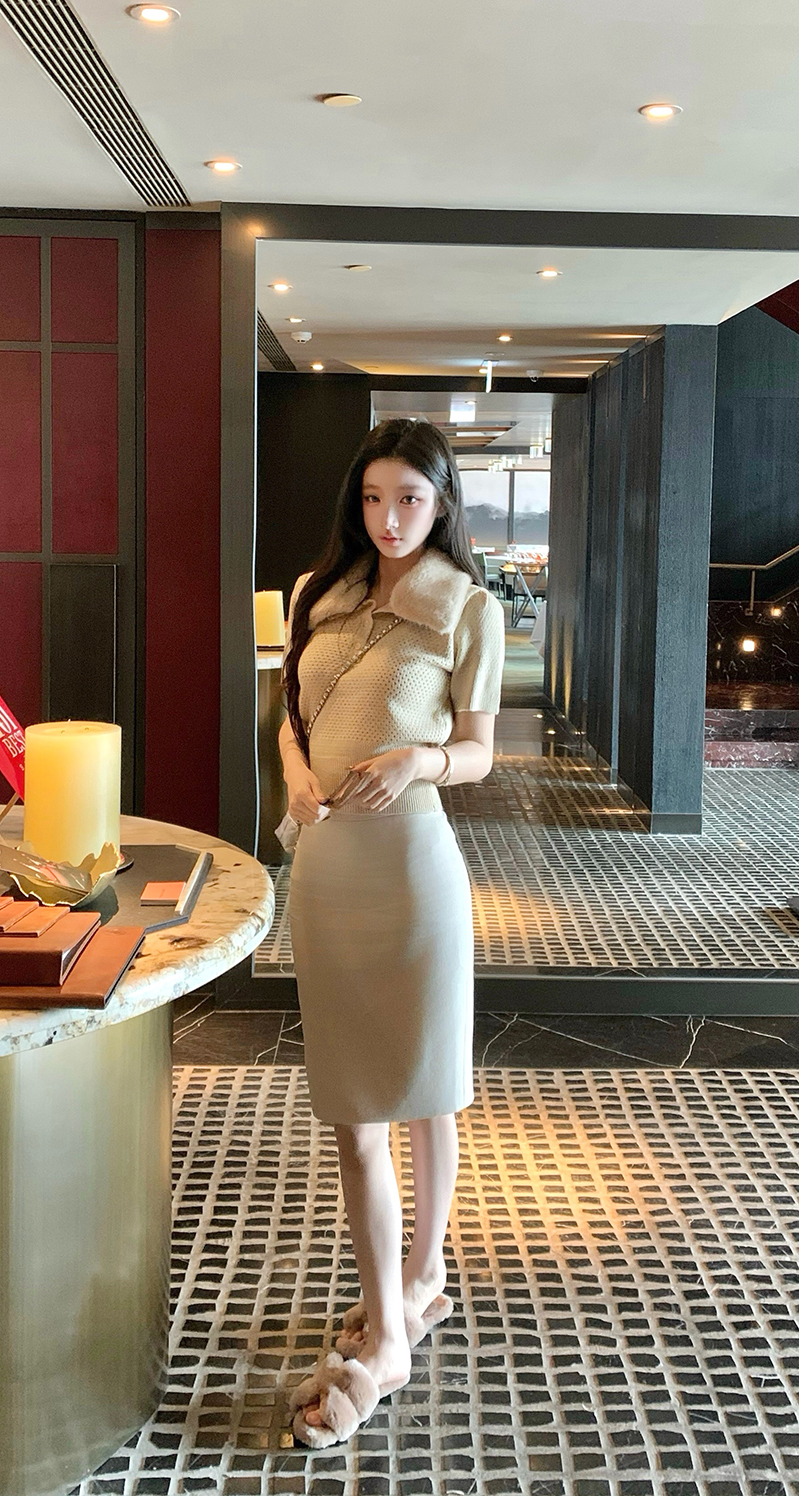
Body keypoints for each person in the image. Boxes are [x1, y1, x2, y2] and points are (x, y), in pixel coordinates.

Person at [279, 418, 504, 1448]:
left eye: (409, 498)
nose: (389, 518)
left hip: (413, 867)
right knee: (355, 1108)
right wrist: (295, 775)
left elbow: (480, 751)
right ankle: (390, 1315)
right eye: (373, 497)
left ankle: (415, 1288)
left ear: (441, 501)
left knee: (427, 1087)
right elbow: (291, 713)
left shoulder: (466, 607)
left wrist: (420, 760)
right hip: (328, 867)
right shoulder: (314, 594)